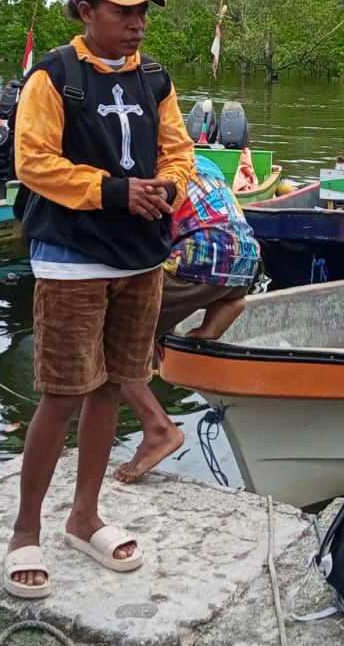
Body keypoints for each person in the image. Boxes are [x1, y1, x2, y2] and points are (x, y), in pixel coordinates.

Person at [5, 0, 197, 599]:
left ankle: (84, 515)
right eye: (124, 11)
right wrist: (116, 191)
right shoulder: (55, 76)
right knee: (63, 392)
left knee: (114, 385)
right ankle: (25, 529)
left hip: (140, 256)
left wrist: (167, 186)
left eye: (143, 12)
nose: (137, 23)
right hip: (73, 257)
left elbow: (178, 149)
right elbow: (34, 162)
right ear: (86, 10)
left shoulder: (156, 79)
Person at [115, 154, 259, 484]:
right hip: (246, 259)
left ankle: (159, 430)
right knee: (160, 311)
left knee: (111, 343)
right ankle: (226, 306)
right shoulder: (203, 162)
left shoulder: (150, 169)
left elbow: (145, 243)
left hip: (199, 260)